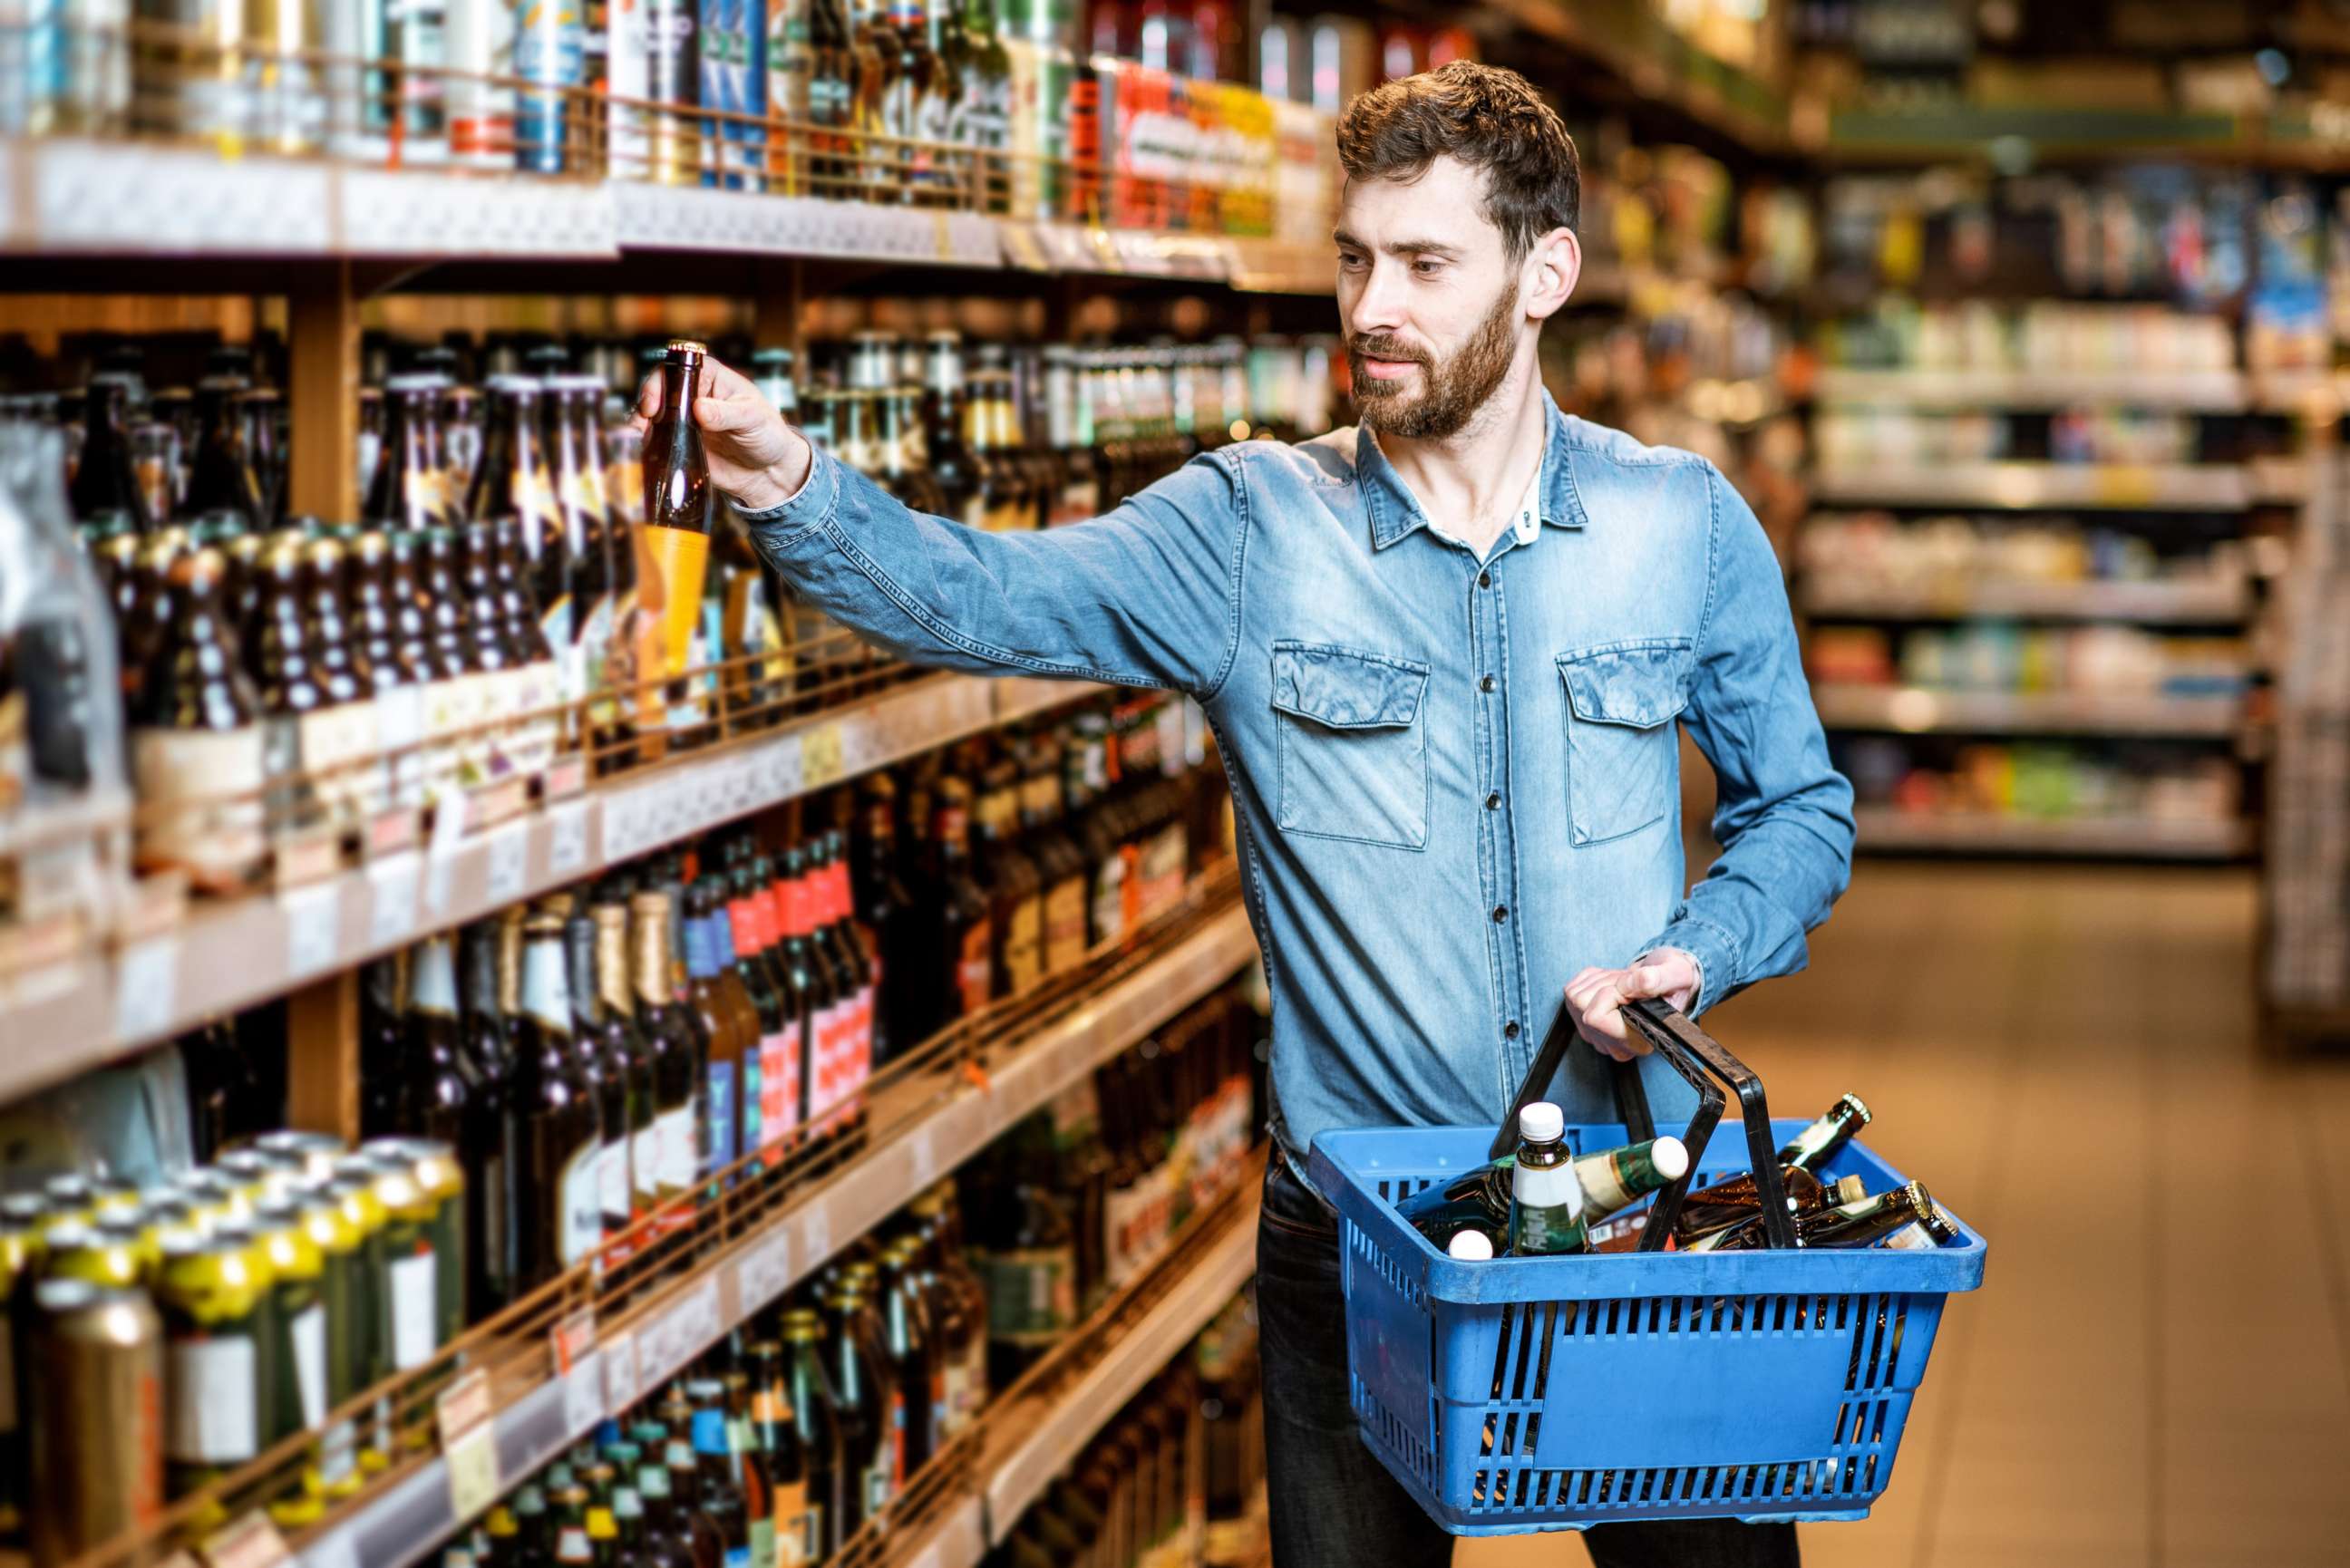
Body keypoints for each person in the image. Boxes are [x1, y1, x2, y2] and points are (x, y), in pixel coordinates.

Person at [641, 61, 1851, 1568]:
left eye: (1424, 265)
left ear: (1547, 276)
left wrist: (1699, 952)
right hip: (1363, 1232)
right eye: (1354, 259)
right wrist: (791, 481)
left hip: (1646, 1219)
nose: (1371, 308)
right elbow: (992, 596)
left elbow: (1797, 810)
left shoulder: (1683, 523)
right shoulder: (1248, 529)